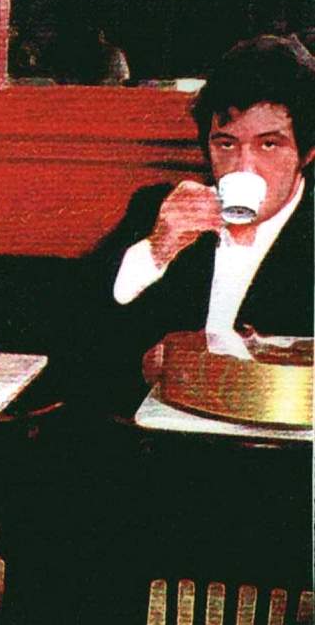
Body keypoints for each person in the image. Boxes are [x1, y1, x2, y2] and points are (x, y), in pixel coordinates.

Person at [91, 34, 314, 410]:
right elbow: (83, 338)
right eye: (226, 144)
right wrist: (157, 250)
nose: (244, 167)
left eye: (269, 145)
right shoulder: (158, 211)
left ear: (307, 153)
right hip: (163, 432)